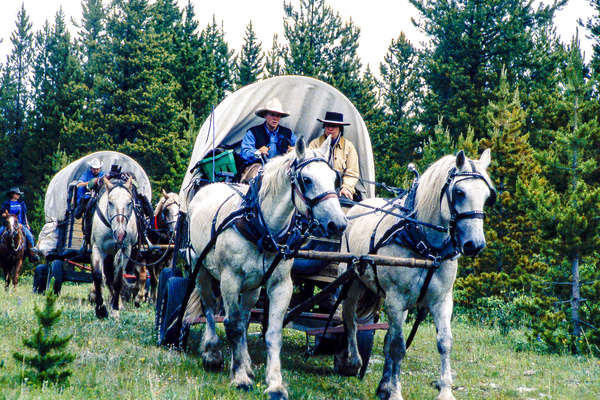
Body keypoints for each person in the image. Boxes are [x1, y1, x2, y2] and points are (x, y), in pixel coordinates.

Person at [239, 98, 297, 183]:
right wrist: (257, 153)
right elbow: (244, 153)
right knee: (257, 176)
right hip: (259, 167)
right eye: (272, 115)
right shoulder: (253, 132)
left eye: (278, 115)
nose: (275, 118)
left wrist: (294, 151)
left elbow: (298, 148)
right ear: (265, 116)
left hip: (282, 168)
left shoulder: (288, 133)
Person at [309, 111, 359, 199]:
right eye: (328, 125)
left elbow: (352, 172)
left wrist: (346, 187)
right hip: (319, 188)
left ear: (340, 128)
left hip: (340, 189)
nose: (330, 129)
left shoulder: (348, 147)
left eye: (334, 126)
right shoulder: (315, 144)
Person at [0, 187, 38, 261]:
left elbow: (24, 214)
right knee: (0, 232)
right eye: (17, 194)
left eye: (19, 194)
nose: (18, 195)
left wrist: (27, 224)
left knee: (30, 236)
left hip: (20, 224)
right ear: (12, 194)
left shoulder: (21, 203)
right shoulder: (6, 203)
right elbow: (2, 214)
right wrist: (7, 215)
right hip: (8, 224)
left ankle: (32, 254)